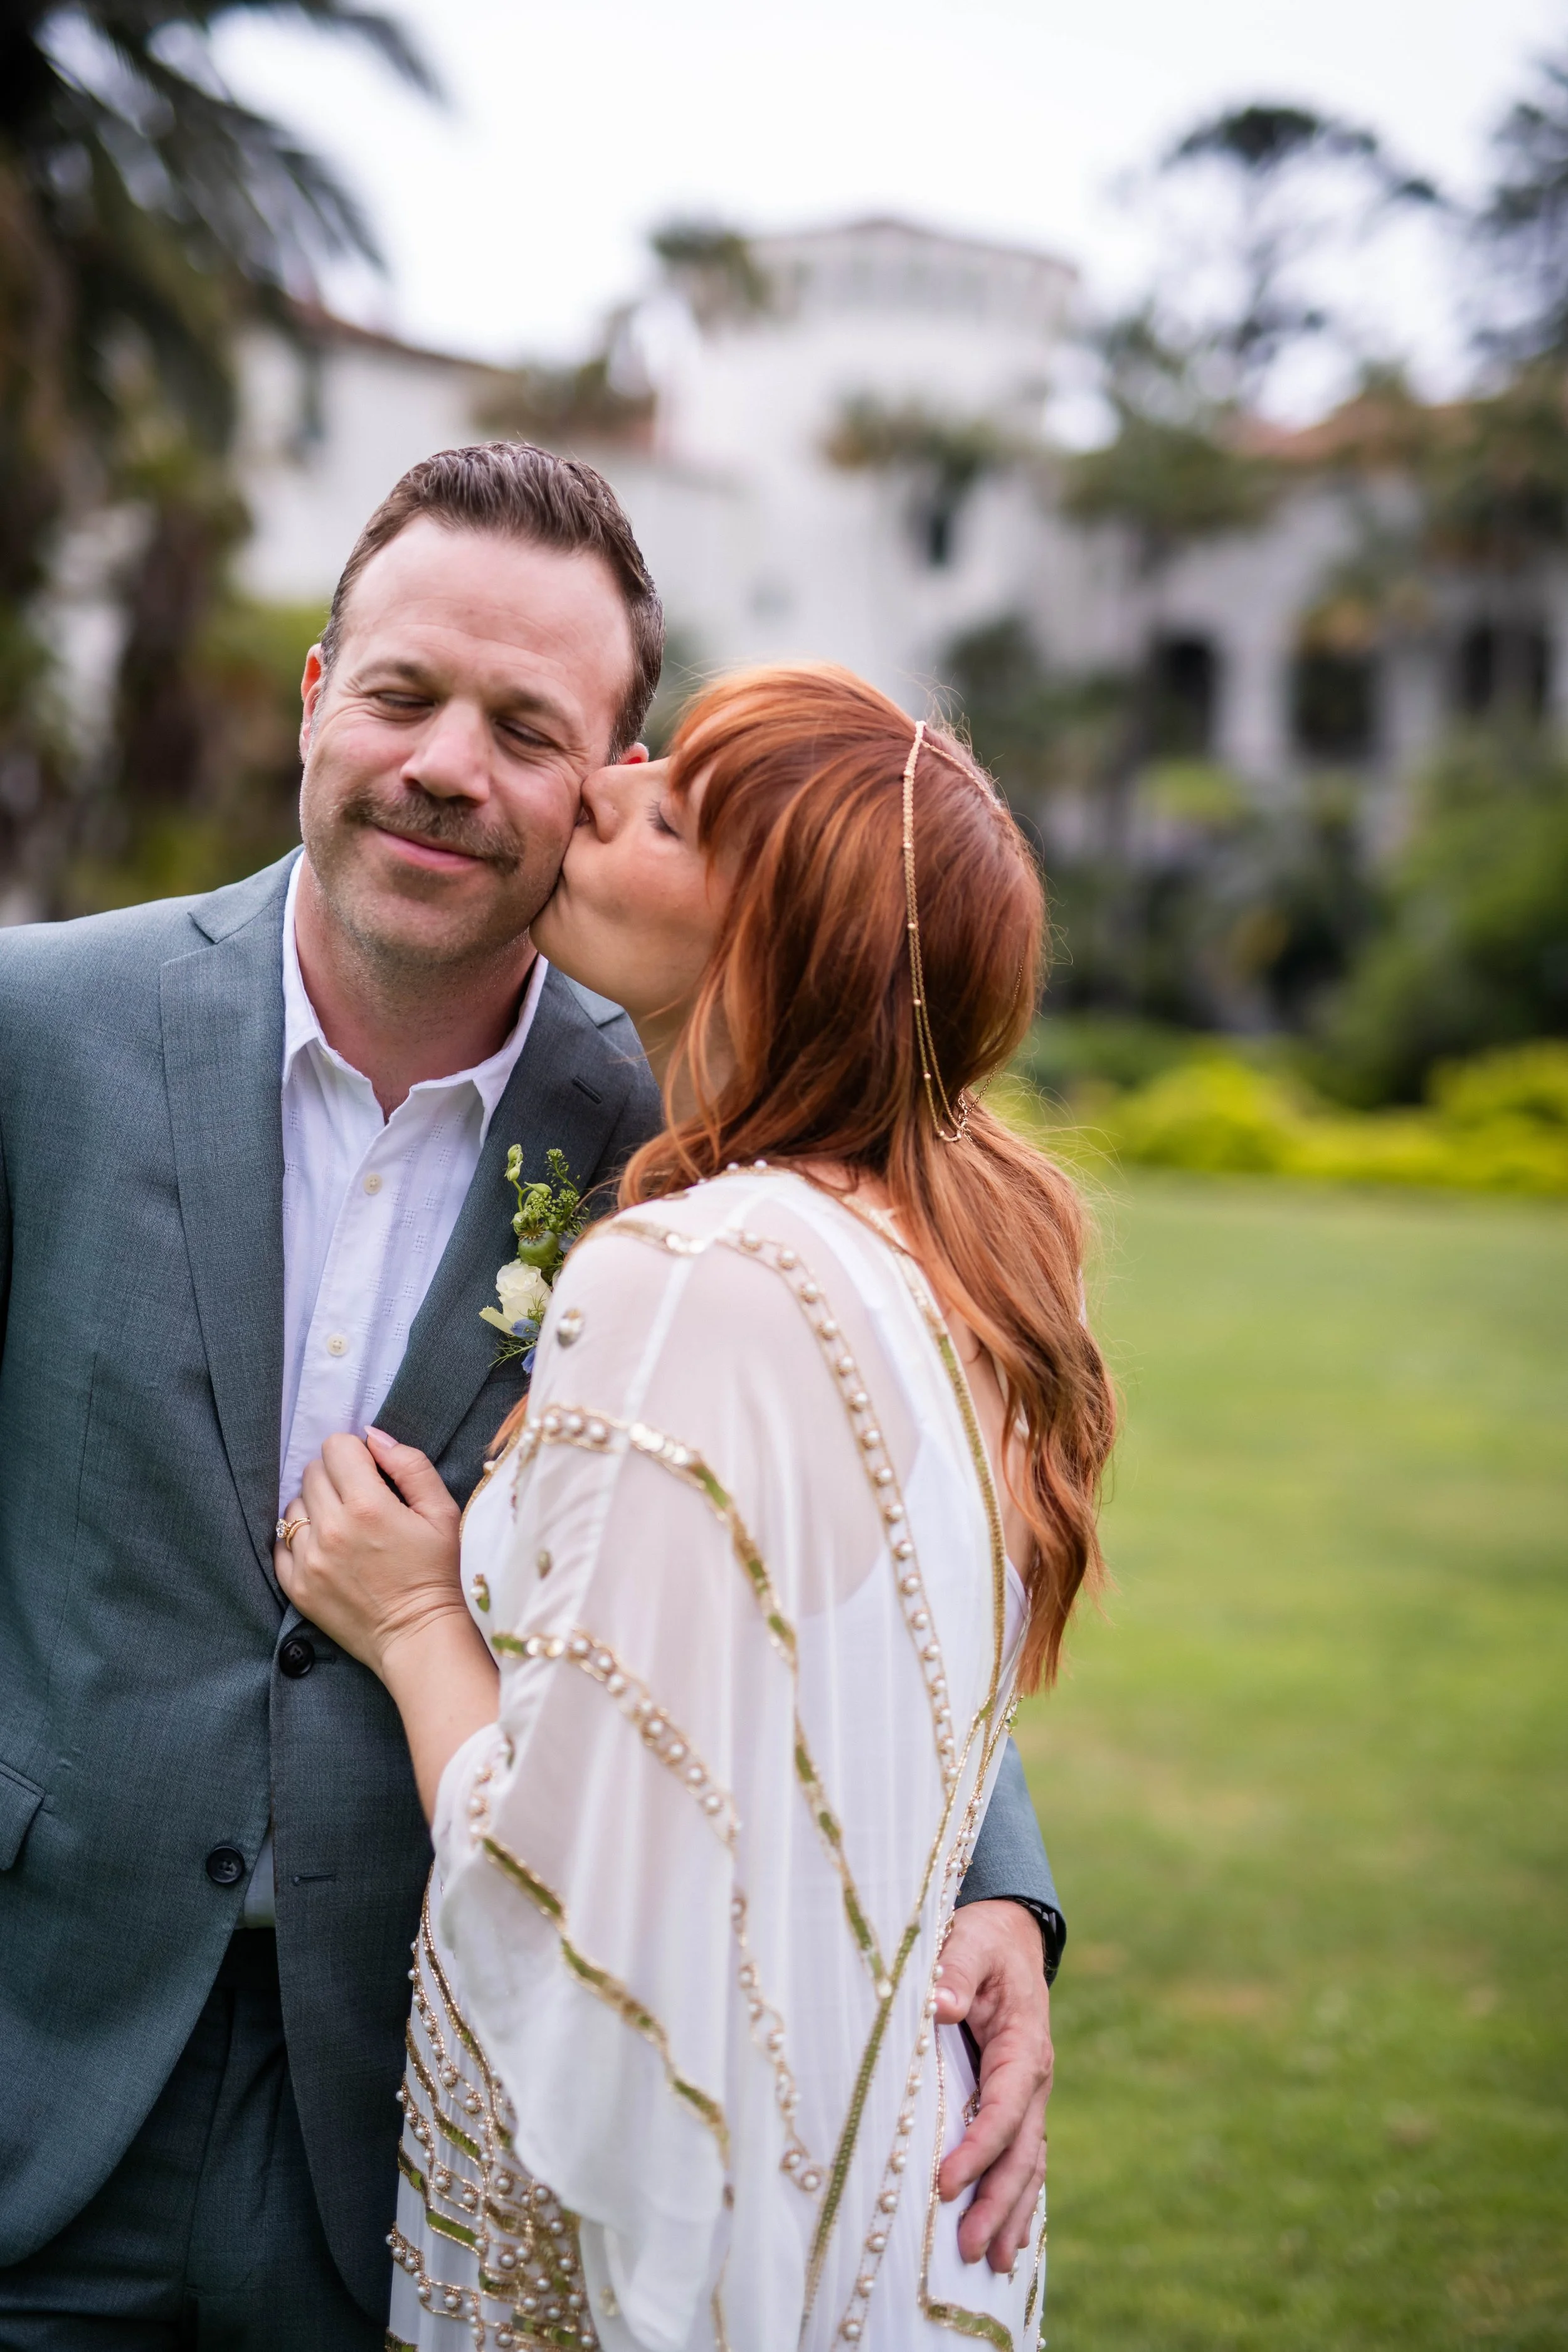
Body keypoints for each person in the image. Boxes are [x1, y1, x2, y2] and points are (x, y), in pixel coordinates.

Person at [0, 447, 1062, 2345]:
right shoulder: (39, 1032)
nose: (443, 765)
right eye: (404, 694)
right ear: (321, 695)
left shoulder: (698, 1150)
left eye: (525, 725)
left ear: (602, 783)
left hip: (407, 2094)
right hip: (38, 2044)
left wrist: (997, 1888)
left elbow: (812, 1551)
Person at [276, 664, 1115, 2349]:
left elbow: (567, 1877)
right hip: (869, 2171)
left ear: (778, 936)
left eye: (661, 811)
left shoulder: (702, 1266)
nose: (597, 789)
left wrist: (420, 1616)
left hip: (693, 2213)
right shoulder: (904, 1255)